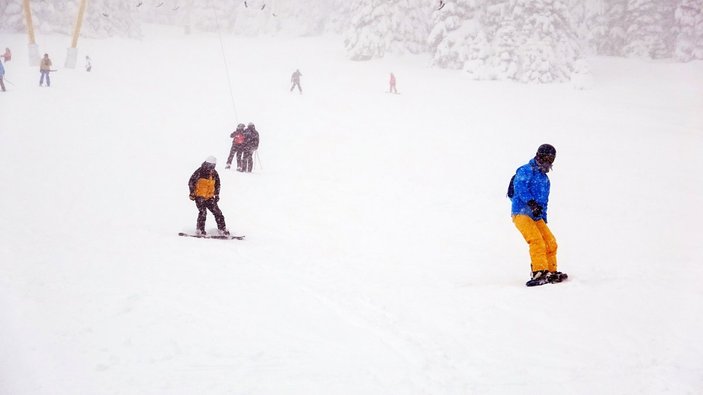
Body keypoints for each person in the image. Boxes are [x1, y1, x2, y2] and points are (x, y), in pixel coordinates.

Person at [508, 144, 567, 286]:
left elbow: (544, 201)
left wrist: (543, 217)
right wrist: (531, 203)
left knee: (550, 241)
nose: (548, 162)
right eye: (546, 157)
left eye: (551, 159)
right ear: (539, 156)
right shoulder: (526, 170)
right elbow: (520, 187)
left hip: (536, 216)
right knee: (536, 240)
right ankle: (539, 271)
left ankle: (551, 271)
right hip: (521, 212)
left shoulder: (545, 180)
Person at [188, 156, 230, 236]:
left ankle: (222, 229)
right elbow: (191, 182)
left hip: (209, 197)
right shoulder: (200, 172)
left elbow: (217, 184)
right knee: (203, 212)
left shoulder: (214, 173)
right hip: (199, 196)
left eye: (214, 166)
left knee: (218, 212)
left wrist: (217, 194)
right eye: (211, 166)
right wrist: (192, 193)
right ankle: (200, 230)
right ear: (206, 164)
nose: (212, 168)